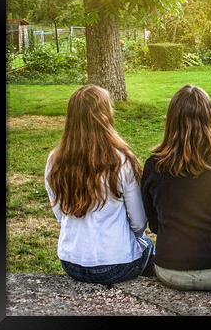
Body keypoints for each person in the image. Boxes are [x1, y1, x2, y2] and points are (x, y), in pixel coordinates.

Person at [44, 84, 154, 285]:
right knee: (148, 246)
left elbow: (60, 214)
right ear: (105, 116)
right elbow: (139, 223)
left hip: (71, 262)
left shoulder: (54, 160)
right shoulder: (121, 160)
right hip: (116, 264)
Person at [142, 85, 211, 291]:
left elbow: (153, 224)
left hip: (169, 269)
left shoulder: (153, 166)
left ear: (171, 121)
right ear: (210, 120)